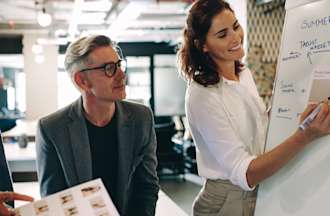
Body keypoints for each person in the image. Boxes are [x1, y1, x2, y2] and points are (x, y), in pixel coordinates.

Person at [177, 0, 330, 215]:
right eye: (222, 35)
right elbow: (245, 172)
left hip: (259, 189)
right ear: (202, 45)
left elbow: (256, 125)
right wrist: (304, 135)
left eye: (236, 26)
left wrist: (284, 106)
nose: (236, 38)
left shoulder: (243, 73)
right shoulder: (202, 95)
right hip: (227, 200)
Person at [36, 35, 159, 216]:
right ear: (82, 81)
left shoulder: (141, 118)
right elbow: (54, 201)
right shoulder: (52, 128)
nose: (121, 75)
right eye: (109, 68)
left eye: (119, 65)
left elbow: (147, 187)